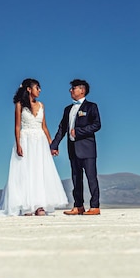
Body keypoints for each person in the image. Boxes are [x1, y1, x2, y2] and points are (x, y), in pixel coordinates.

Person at [0, 78, 69, 216]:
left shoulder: (42, 105)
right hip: (26, 140)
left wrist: (52, 144)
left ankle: (39, 205)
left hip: (40, 142)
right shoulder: (19, 105)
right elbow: (17, 126)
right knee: (25, 172)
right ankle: (27, 206)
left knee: (39, 172)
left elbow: (44, 127)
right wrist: (18, 144)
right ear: (29, 89)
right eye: (37, 87)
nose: (40, 90)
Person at [50, 79, 101, 215]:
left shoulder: (91, 106)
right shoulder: (68, 109)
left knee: (91, 177)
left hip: (87, 148)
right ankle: (78, 206)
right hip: (72, 149)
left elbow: (97, 125)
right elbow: (62, 129)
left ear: (82, 90)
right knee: (75, 178)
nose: (70, 90)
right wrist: (54, 145)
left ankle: (95, 206)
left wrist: (79, 131)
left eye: (73, 88)